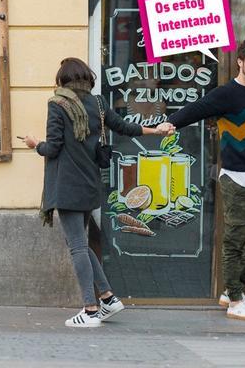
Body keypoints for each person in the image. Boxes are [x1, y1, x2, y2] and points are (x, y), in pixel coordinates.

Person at [22, 57, 174, 328]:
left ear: (62, 80)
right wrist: (157, 131)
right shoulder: (99, 104)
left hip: (66, 186)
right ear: (87, 78)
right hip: (90, 184)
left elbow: (53, 148)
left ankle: (90, 309)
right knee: (78, 243)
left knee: (77, 246)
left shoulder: (57, 104)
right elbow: (126, 128)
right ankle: (108, 297)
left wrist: (36, 145)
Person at [167, 38, 245, 321]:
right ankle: (234, 299)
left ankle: (231, 287)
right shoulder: (226, 94)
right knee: (233, 241)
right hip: (235, 177)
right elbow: (196, 109)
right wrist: (171, 123)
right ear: (240, 62)